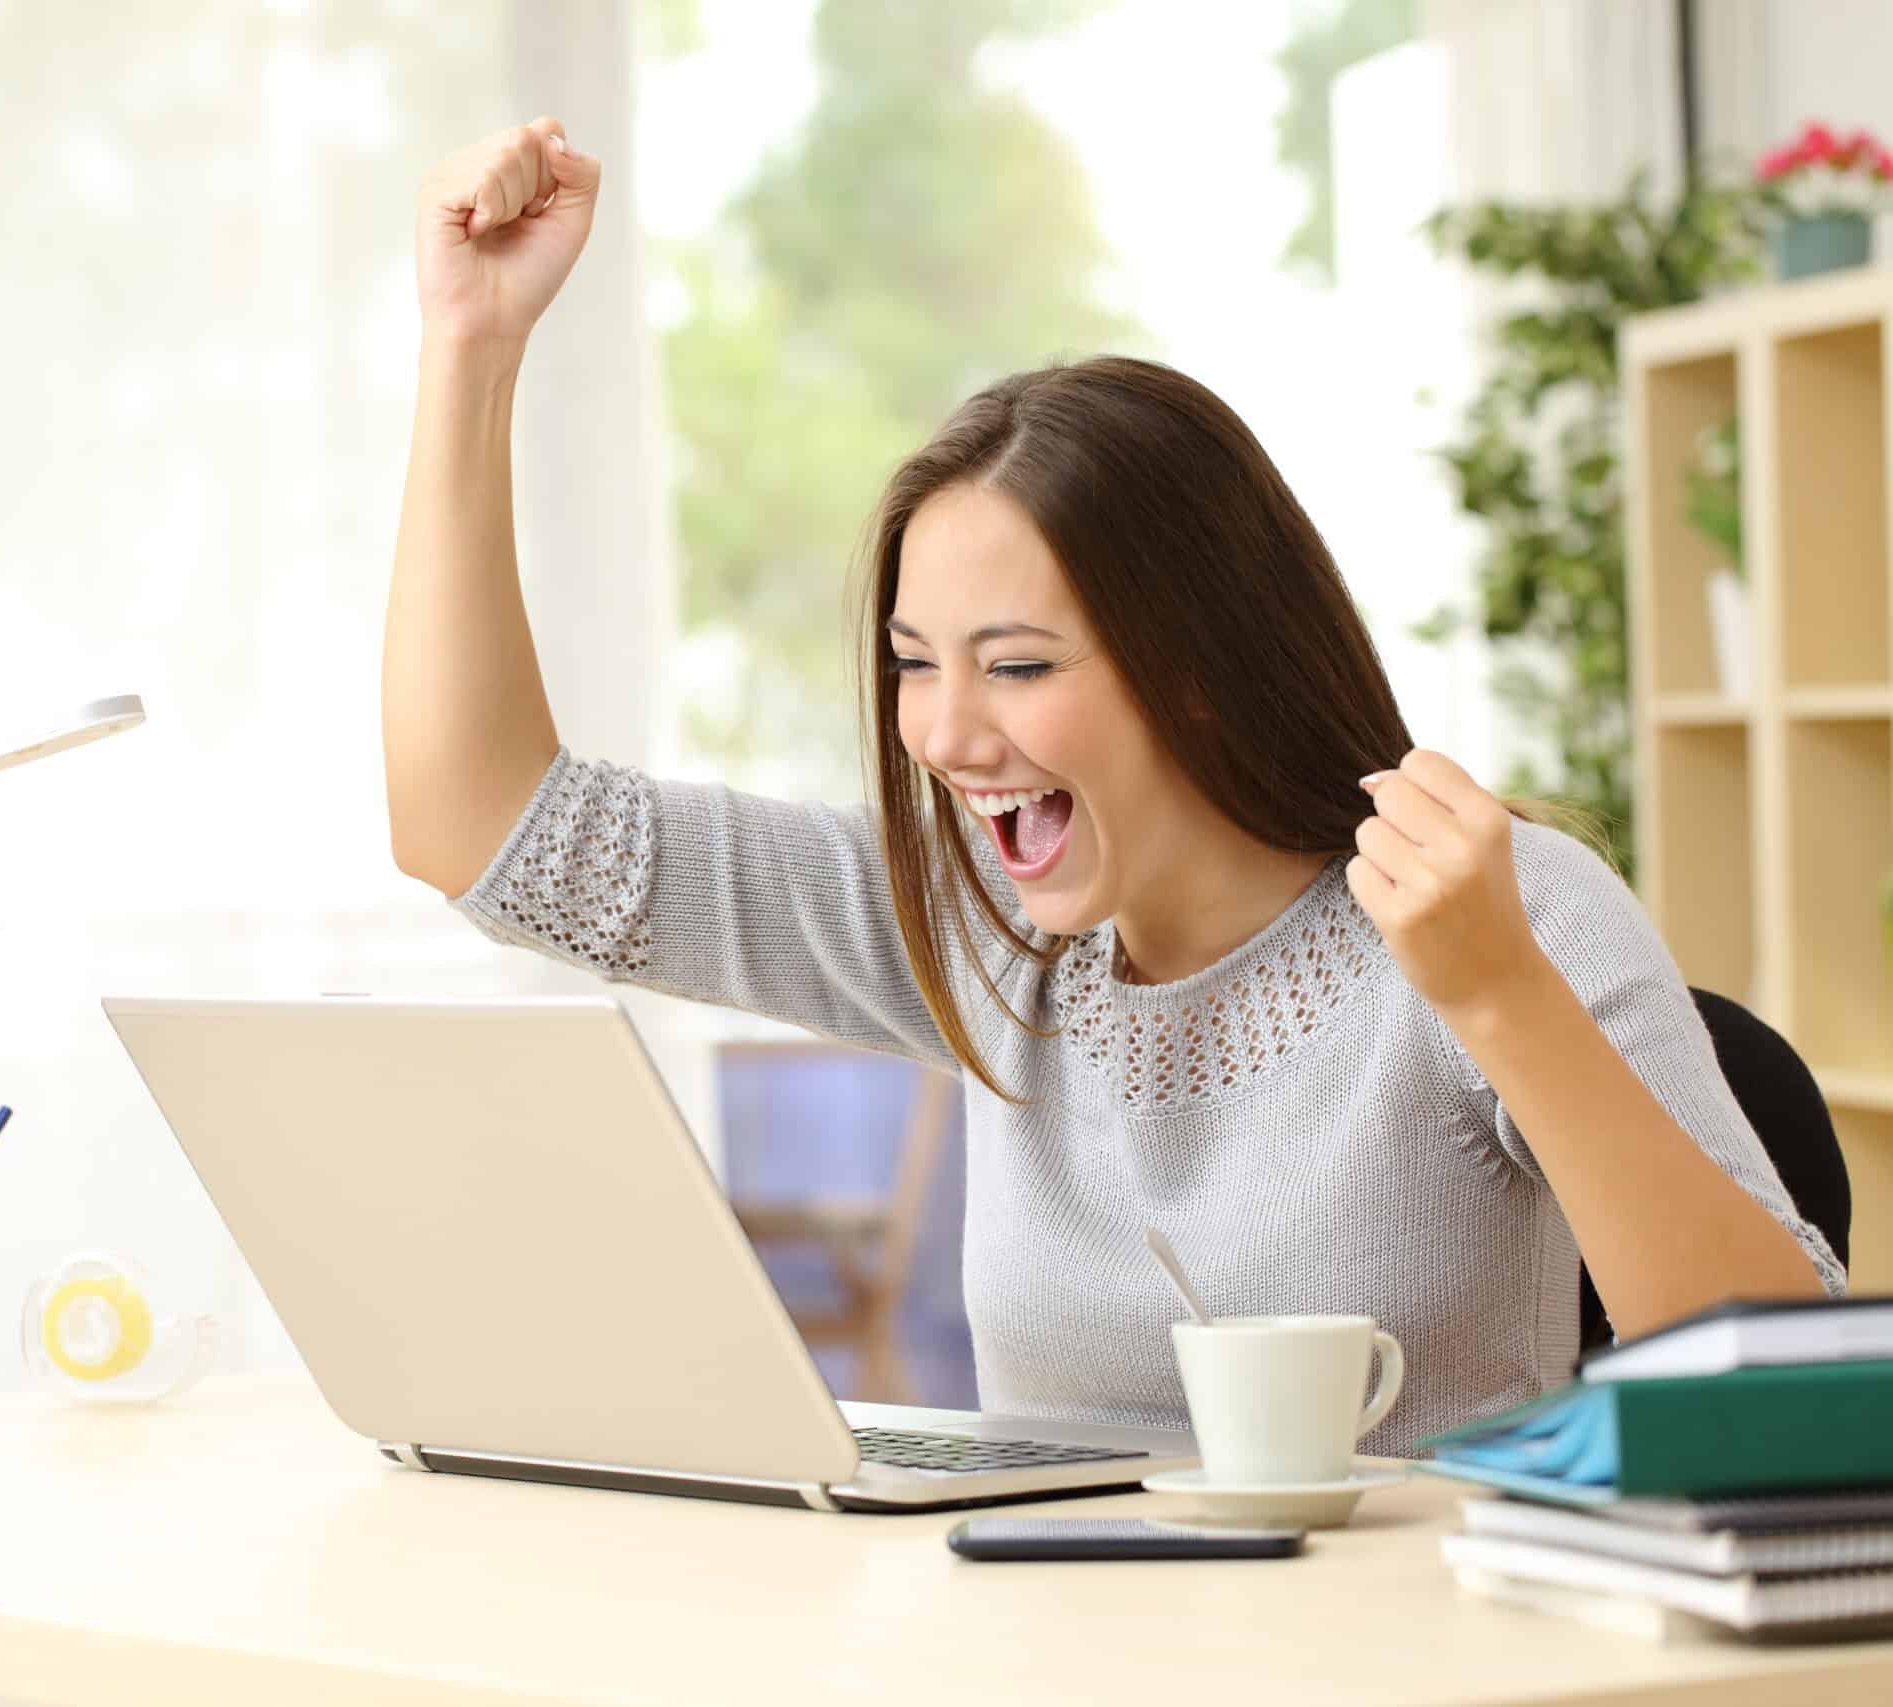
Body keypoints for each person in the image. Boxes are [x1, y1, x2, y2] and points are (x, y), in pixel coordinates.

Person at [382, 118, 1844, 1451]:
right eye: (912, 663)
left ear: (1203, 664)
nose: (947, 736)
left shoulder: (1495, 914)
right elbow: (482, 830)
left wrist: (1498, 997)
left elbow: (1789, 1390)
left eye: (1017, 666)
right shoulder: (979, 932)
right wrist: (472, 345)